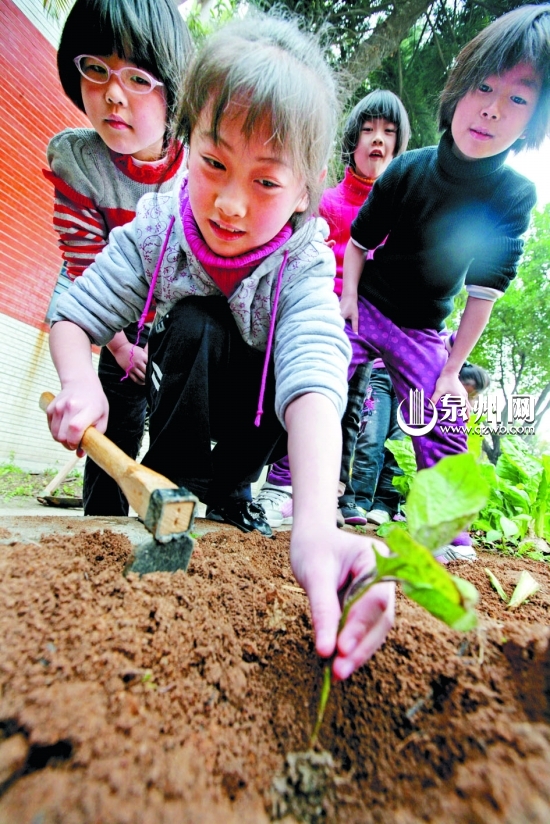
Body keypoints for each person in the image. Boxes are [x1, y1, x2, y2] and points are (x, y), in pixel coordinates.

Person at [43, 15, 395, 682]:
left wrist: (316, 523)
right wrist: (79, 380)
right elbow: (74, 311)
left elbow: (316, 371)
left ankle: (231, 491)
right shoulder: (161, 227)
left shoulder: (304, 260)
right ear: (187, 143)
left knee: (284, 373)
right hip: (184, 391)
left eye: (265, 181)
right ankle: (170, 488)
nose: (230, 204)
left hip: (257, 418)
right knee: (198, 322)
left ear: (305, 188)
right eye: (213, 164)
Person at [340, 4, 550, 563]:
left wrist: (453, 371)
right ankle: (287, 487)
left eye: (518, 99)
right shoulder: (408, 169)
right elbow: (358, 245)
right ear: (458, 88)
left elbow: (484, 291)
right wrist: (346, 301)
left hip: (424, 327)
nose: (491, 110)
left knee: (446, 414)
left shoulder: (513, 196)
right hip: (366, 306)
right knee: (317, 371)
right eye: (483, 86)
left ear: (534, 119)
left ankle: (442, 528)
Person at [44, 0, 193, 516]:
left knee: (178, 432)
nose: (112, 94)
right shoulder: (77, 162)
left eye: (137, 78)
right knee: (118, 425)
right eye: (96, 69)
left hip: (176, 319)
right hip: (110, 317)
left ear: (174, 88)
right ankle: (99, 530)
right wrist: (122, 350)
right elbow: (86, 275)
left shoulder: (202, 166)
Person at [255, 90, 410, 528]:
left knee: (352, 410)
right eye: (368, 130)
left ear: (398, 147)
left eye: (388, 133)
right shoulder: (326, 201)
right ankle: (281, 485)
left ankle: (332, 496)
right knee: (312, 395)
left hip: (371, 326)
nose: (377, 140)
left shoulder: (401, 210)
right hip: (323, 319)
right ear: (353, 141)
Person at [355, 358, 491, 526]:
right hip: (378, 374)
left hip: (411, 380)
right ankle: (359, 501)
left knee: (400, 446)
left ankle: (385, 506)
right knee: (369, 441)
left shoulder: (442, 356)